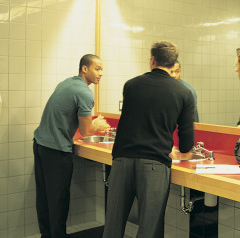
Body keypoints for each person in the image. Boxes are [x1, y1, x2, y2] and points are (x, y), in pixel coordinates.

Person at [103, 41, 195, 238]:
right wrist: (183, 153)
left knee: (112, 226)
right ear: (174, 64)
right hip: (154, 164)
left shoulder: (131, 85)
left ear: (152, 60)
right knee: (149, 229)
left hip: (122, 161)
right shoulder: (184, 93)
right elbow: (187, 142)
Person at [33, 54, 110, 238]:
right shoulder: (85, 92)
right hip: (56, 150)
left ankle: (47, 235)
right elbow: (85, 131)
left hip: (40, 145)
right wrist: (96, 125)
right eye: (97, 68)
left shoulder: (66, 83)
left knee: (44, 197)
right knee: (58, 200)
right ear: (85, 68)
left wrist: (90, 123)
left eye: (102, 69)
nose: (101, 73)